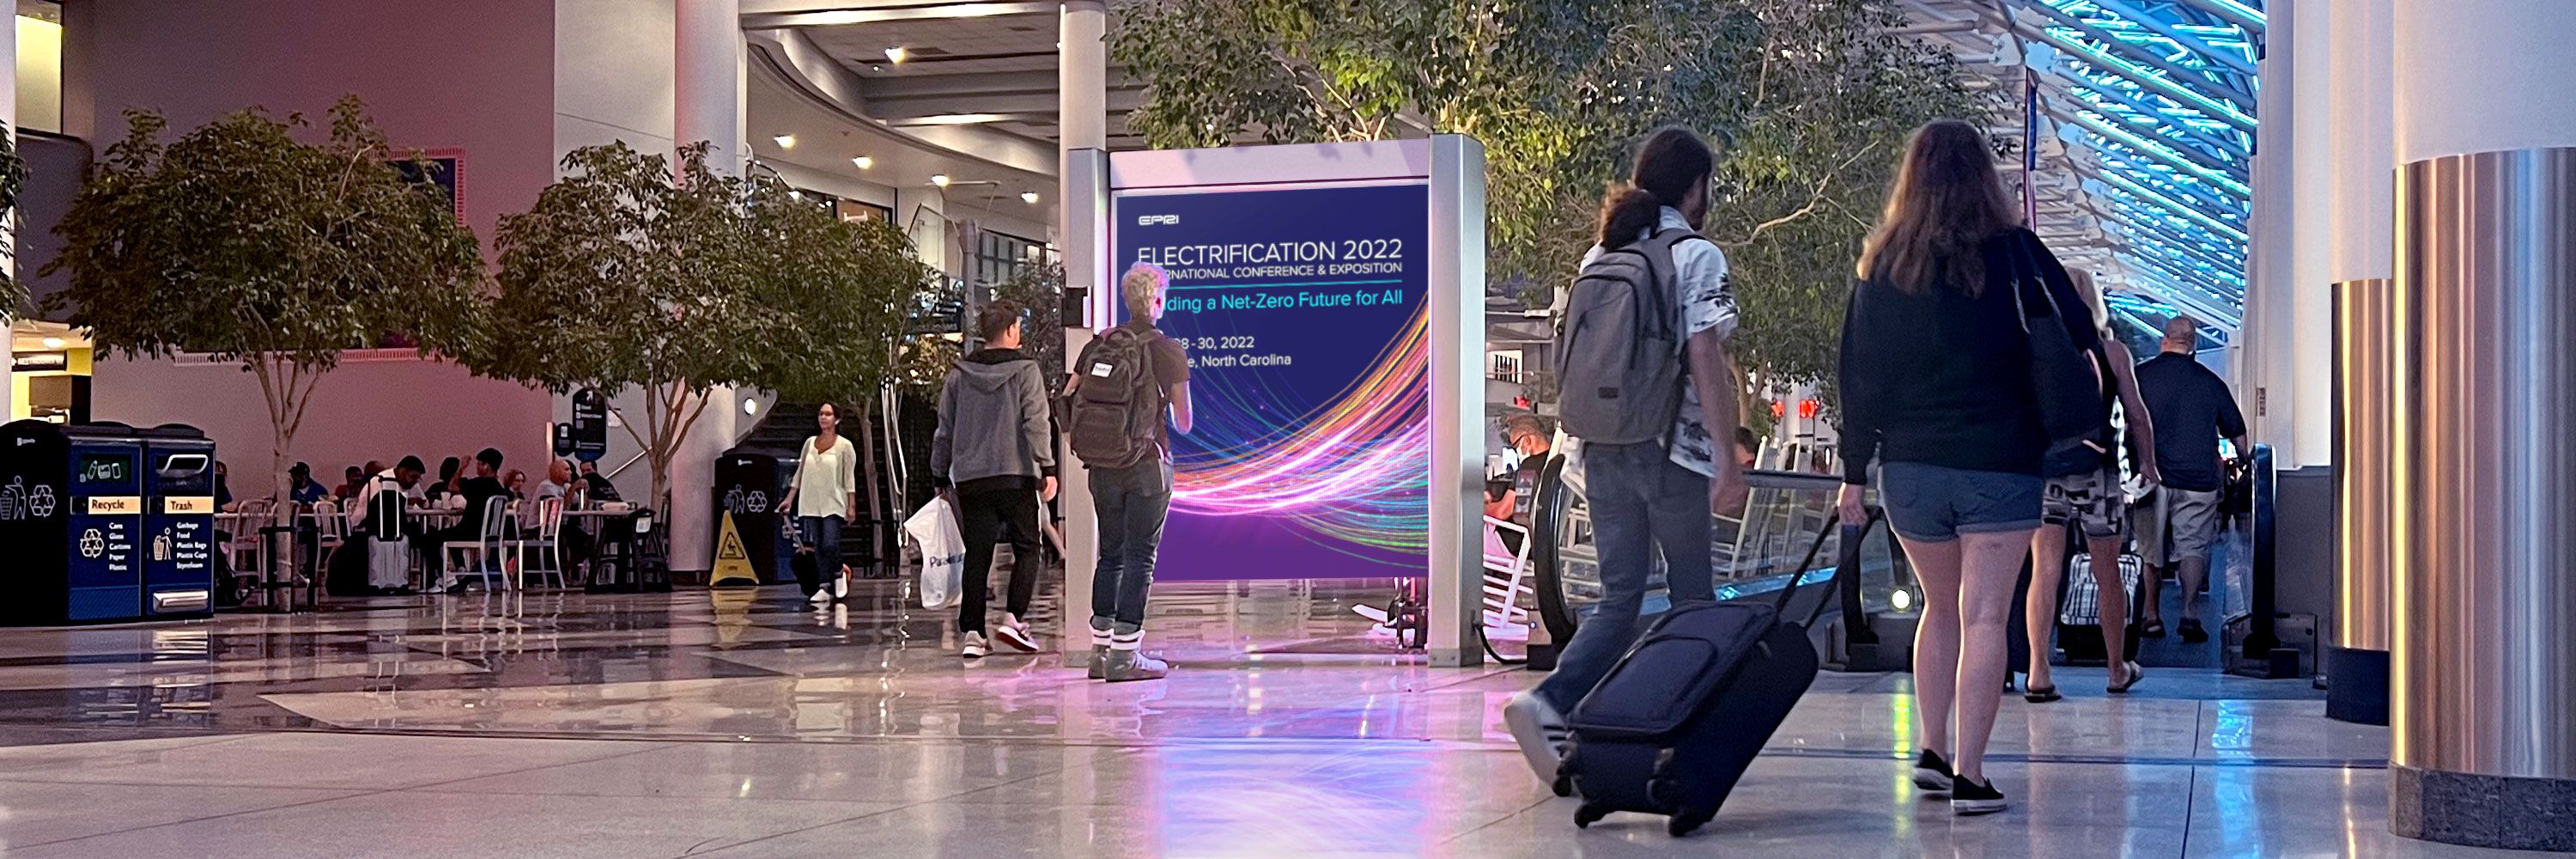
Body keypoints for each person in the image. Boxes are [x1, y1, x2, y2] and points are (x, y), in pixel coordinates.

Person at [1834, 119, 2103, 815]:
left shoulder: (1884, 264)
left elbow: (1858, 378)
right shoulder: (2016, 253)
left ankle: (1931, 747)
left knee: (1938, 608)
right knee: (1985, 617)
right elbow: (2080, 328)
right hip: (2001, 462)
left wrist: (1853, 472)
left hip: (1911, 469)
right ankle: (1971, 774)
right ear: (1985, 178)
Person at [1504, 125, 1750, 784]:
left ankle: (1549, 702)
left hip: (1600, 450)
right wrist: (1727, 458)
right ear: (1695, 188)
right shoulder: (1696, 255)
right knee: (1693, 601)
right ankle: (1679, 733)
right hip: (1670, 453)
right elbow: (1705, 356)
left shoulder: (1600, 254)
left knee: (1619, 599)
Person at [2023, 271, 2160, 701]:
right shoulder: (2112, 352)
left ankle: (2038, 671)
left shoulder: (2034, 350)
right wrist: (2149, 464)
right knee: (2107, 573)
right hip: (2098, 473)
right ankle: (2116, 668)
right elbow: (2136, 414)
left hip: (2045, 470)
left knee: (2045, 569)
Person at [1066, 262, 1193, 681]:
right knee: (1141, 557)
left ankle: (1099, 653)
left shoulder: (1099, 344)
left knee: (1110, 555)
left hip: (1102, 466)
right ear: (1155, 301)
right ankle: (1126, 655)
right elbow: (1185, 421)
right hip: (1147, 466)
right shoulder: (1168, 350)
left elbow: (1066, 401)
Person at [932, 300, 1059, 658]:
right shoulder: (1026, 371)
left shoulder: (959, 374)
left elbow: (944, 428)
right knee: (1028, 548)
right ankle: (1013, 619)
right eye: (1018, 326)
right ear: (1010, 330)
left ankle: (973, 634)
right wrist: (1047, 467)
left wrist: (939, 473)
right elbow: (1036, 422)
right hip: (1016, 474)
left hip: (972, 478)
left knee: (978, 554)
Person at [2130, 314, 2245, 643]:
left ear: (2164, 340)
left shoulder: (2141, 377)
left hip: (2150, 478)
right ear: (2192, 345)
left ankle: (2152, 617)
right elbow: (2237, 433)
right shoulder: (2210, 382)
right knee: (2192, 548)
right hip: (2197, 479)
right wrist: (2245, 462)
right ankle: (2190, 613)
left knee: (2150, 550)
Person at [775, 403, 858, 606]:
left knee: (830, 543)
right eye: (821, 414)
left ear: (836, 419)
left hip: (833, 502)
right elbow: (800, 472)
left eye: (828, 414)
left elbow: (849, 478)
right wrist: (789, 499)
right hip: (811, 501)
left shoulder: (844, 446)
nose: (823, 417)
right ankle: (823, 586)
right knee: (819, 545)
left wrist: (851, 504)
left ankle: (838, 571)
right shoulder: (810, 443)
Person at [417, 448, 510, 592]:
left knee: (428, 538)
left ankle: (444, 577)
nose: (477, 467)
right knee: (452, 532)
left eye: (480, 464)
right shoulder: (499, 488)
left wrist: (461, 467)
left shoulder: (479, 484)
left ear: (487, 466)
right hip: (488, 534)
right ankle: (461, 571)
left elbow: (452, 486)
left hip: (470, 531)